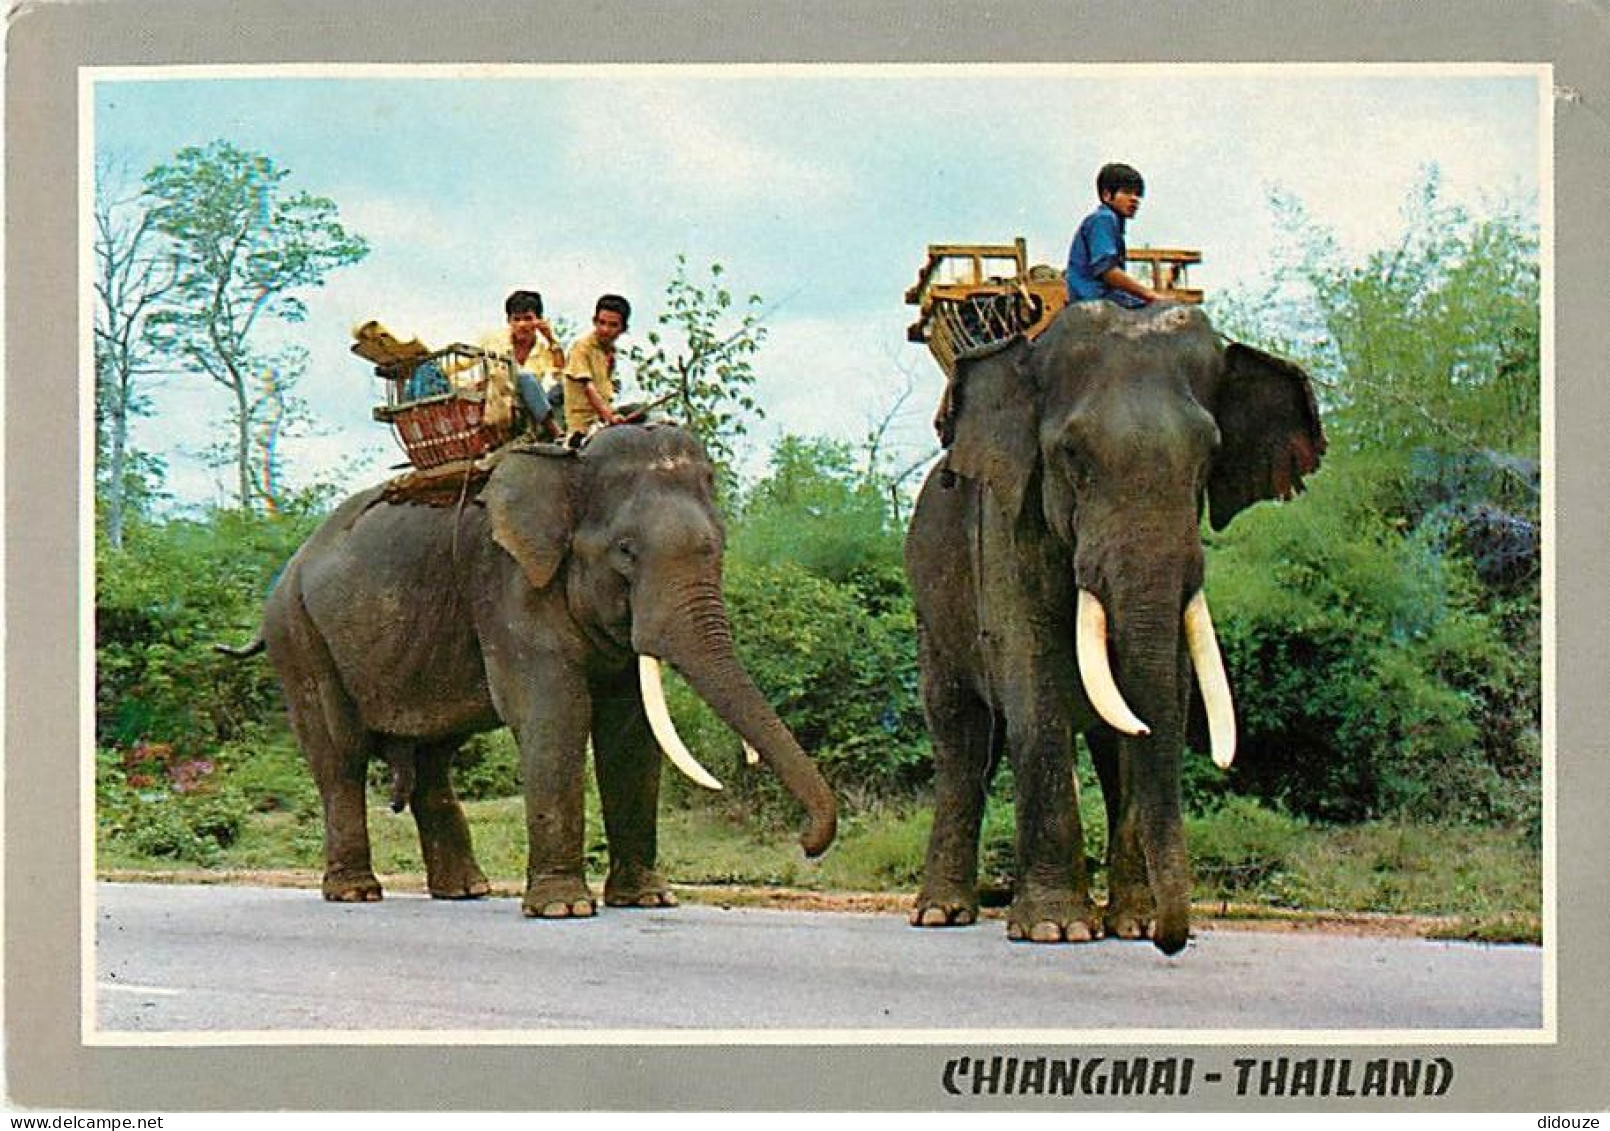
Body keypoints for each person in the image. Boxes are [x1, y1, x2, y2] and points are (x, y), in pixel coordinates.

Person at [1065, 162, 1162, 309]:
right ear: (1107, 195)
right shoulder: (1103, 219)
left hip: (1104, 298)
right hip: (1097, 298)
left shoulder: (1112, 223)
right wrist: (1151, 295)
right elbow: (1108, 272)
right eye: (1127, 192)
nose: (1134, 199)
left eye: (1137, 194)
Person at [479, 289, 566, 434]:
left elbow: (558, 374)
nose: (522, 325)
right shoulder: (492, 341)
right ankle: (555, 431)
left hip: (534, 405)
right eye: (517, 319)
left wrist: (551, 339)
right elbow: (460, 363)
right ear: (509, 321)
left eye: (528, 318)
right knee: (523, 377)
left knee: (562, 385)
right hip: (501, 403)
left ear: (538, 321)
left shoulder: (544, 349)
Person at [561, 294, 631, 442]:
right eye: (602, 323)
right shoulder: (581, 348)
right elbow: (588, 388)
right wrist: (610, 417)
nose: (605, 329)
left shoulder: (610, 352)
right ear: (594, 321)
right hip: (585, 425)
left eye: (613, 325)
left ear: (623, 328)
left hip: (605, 417)